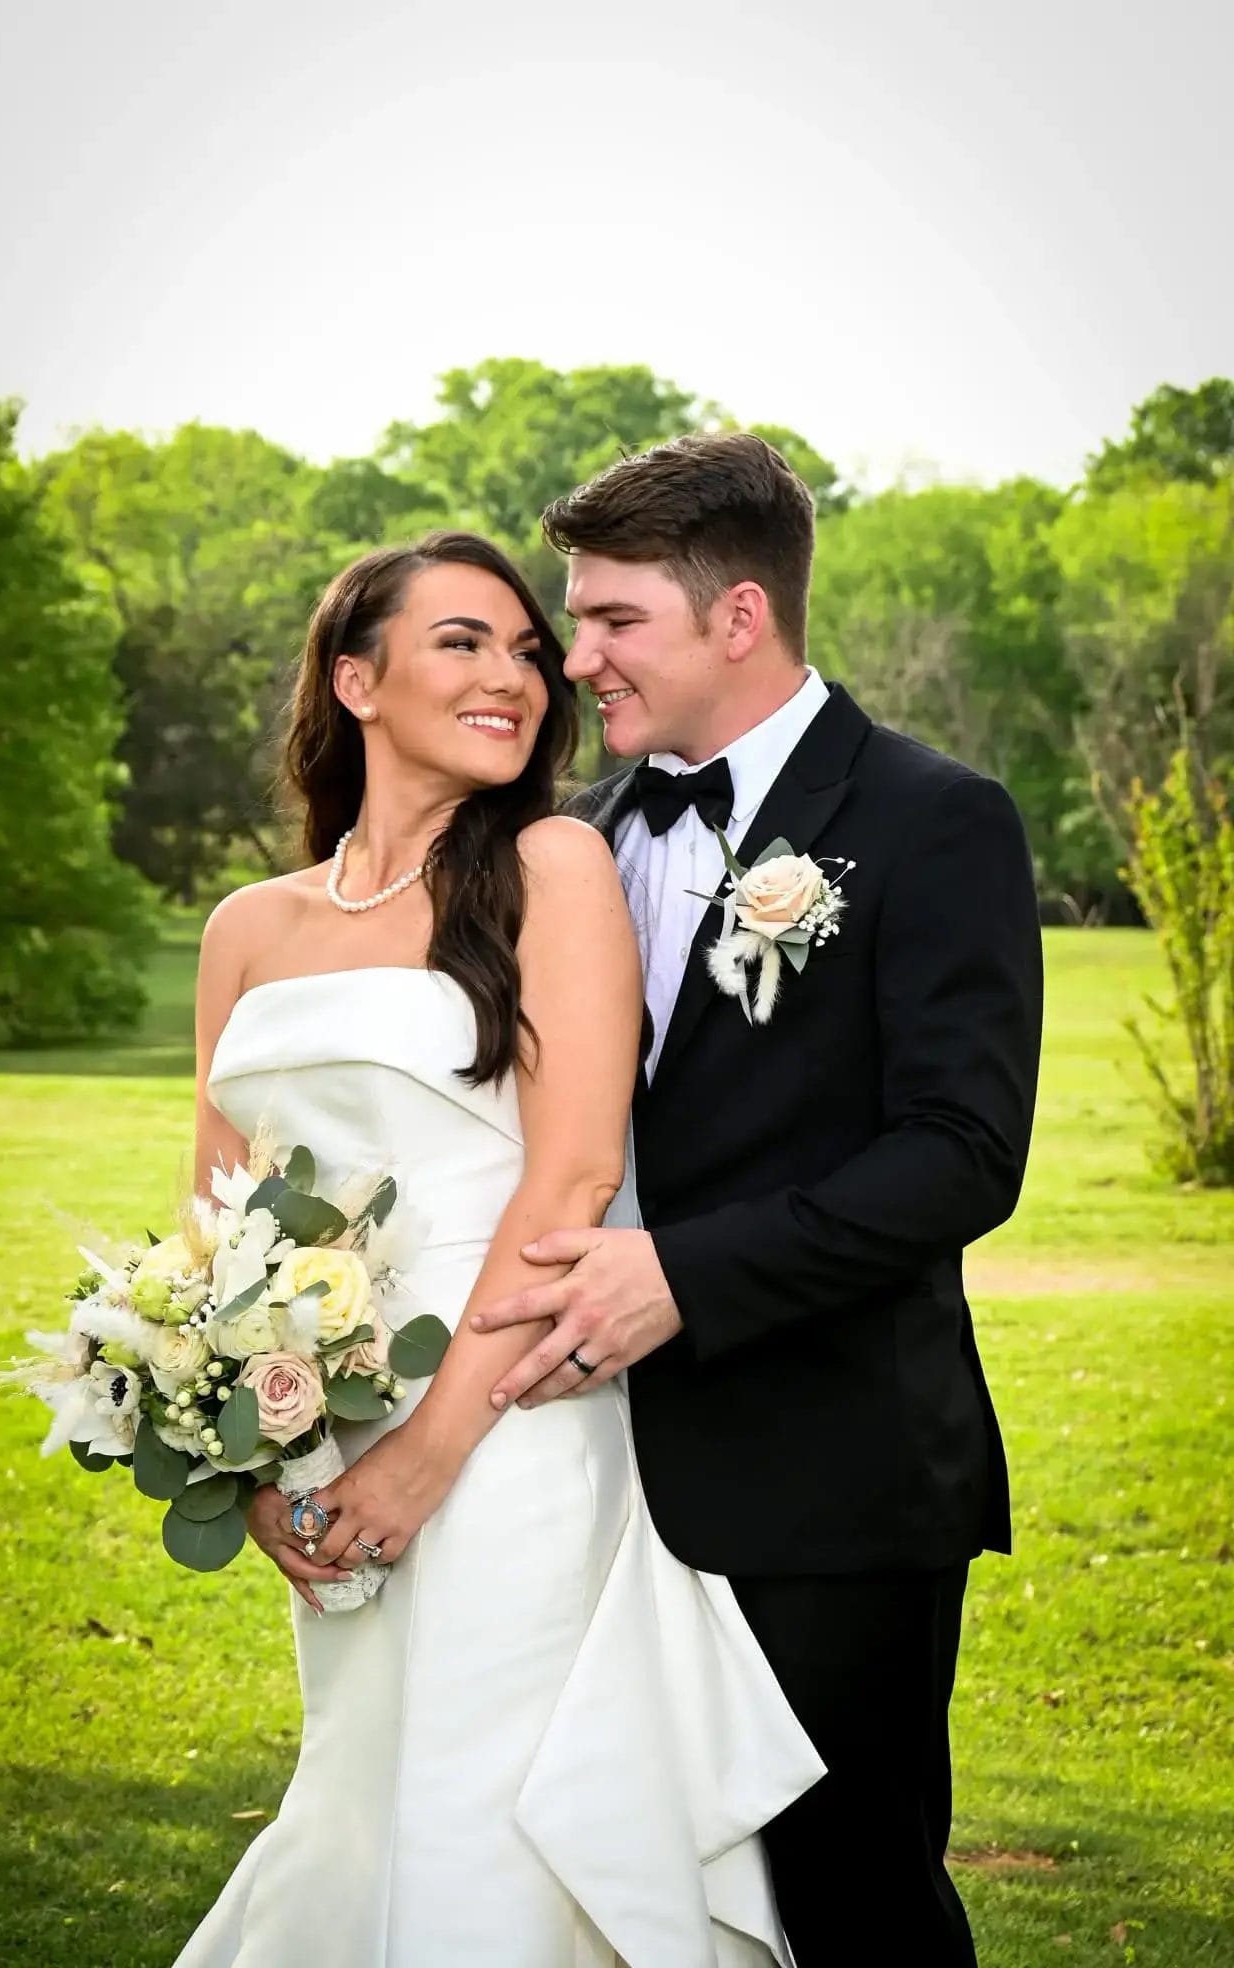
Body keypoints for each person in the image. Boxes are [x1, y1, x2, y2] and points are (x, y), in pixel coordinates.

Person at [175, 530, 822, 1968]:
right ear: (356, 679)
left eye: (528, 651)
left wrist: (431, 1448)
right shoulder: (247, 929)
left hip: (516, 1417)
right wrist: (258, 1451)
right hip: (329, 1431)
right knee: (369, 1786)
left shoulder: (549, 862)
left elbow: (577, 1173)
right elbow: (214, 1212)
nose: (518, 676)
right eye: (464, 641)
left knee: (495, 1814)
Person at [471, 436, 1044, 1967]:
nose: (571, 657)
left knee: (846, 1907)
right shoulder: (569, 840)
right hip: (583, 1487)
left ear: (738, 617)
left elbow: (961, 1150)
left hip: (831, 1480)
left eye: (611, 622)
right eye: (570, 621)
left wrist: (686, 1278)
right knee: (615, 1897)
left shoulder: (936, 818)